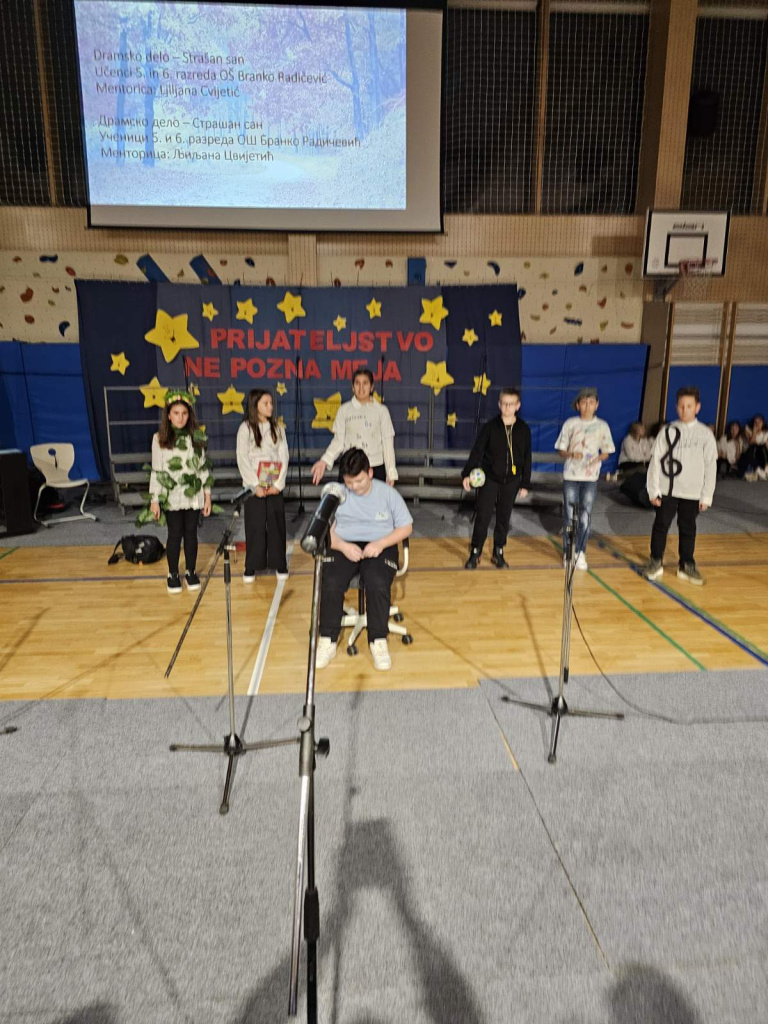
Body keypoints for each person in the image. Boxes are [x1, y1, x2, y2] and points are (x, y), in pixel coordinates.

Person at [315, 448, 413, 672]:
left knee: (377, 582)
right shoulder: (336, 494)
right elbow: (325, 529)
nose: (354, 487)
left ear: (370, 473)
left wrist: (380, 544)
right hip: (344, 544)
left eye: (359, 481)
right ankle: (327, 638)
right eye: (349, 482)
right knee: (330, 582)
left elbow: (406, 527)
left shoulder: (388, 494)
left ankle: (378, 639)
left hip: (380, 544)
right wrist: (342, 546)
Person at [642, 386, 717, 586]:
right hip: (668, 490)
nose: (685, 410)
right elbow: (655, 461)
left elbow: (711, 466)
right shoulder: (667, 431)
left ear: (697, 407)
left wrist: (706, 495)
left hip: (692, 492)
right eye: (682, 406)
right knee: (661, 525)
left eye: (689, 406)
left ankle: (686, 564)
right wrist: (653, 489)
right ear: (676, 407)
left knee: (688, 528)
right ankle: (655, 561)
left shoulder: (705, 434)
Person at [149, 388, 212, 593]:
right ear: (168, 415)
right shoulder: (159, 439)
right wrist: (154, 499)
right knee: (175, 533)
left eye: (184, 413)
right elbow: (157, 470)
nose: (180, 417)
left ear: (189, 415)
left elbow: (203, 469)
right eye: (176, 413)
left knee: (191, 533)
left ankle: (191, 571)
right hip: (172, 495)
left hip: (193, 494)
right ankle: (173, 573)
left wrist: (207, 496)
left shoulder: (197, 438)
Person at [461, 387, 531, 569]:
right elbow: (477, 451)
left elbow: (527, 457)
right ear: (499, 404)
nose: (507, 407)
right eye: (504, 404)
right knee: (483, 516)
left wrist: (525, 482)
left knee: (503, 517)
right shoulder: (490, 427)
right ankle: (475, 551)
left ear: (518, 405)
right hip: (490, 478)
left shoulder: (523, 429)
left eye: (511, 404)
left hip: (512, 480)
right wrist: (467, 473)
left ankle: (498, 550)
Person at [554, 387, 615, 570]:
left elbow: (607, 451)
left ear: (596, 405)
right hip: (571, 475)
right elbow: (561, 450)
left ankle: (581, 552)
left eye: (591, 402)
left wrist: (599, 458)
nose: (587, 406)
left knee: (585, 515)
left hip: (590, 477)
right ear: (578, 405)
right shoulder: (570, 424)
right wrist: (571, 454)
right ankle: (568, 552)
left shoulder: (602, 425)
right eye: (584, 402)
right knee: (569, 515)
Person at [236, 388, 289, 581]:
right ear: (255, 405)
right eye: (265, 403)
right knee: (255, 526)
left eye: (271, 403)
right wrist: (254, 485)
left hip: (273, 483)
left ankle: (279, 563)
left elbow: (284, 456)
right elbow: (242, 458)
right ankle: (252, 564)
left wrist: (278, 484)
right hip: (255, 485)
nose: (270, 407)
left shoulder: (278, 428)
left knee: (276, 525)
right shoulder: (245, 428)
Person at [311, 368, 397, 486]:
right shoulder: (344, 410)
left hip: (375, 467)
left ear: (372, 387)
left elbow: (388, 444)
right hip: (349, 466)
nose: (361, 388)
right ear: (352, 387)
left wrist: (391, 473)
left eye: (365, 383)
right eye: (357, 383)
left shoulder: (382, 411)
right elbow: (338, 441)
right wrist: (324, 461)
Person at [736, 414, 768, 481]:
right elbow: (751, 442)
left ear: (763, 423)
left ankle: (765, 470)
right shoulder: (747, 429)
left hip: (760, 455)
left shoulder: (766, 432)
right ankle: (758, 471)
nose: (757, 424)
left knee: (762, 447)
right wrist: (754, 432)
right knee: (753, 446)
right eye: (755, 422)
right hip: (748, 453)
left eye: (759, 422)